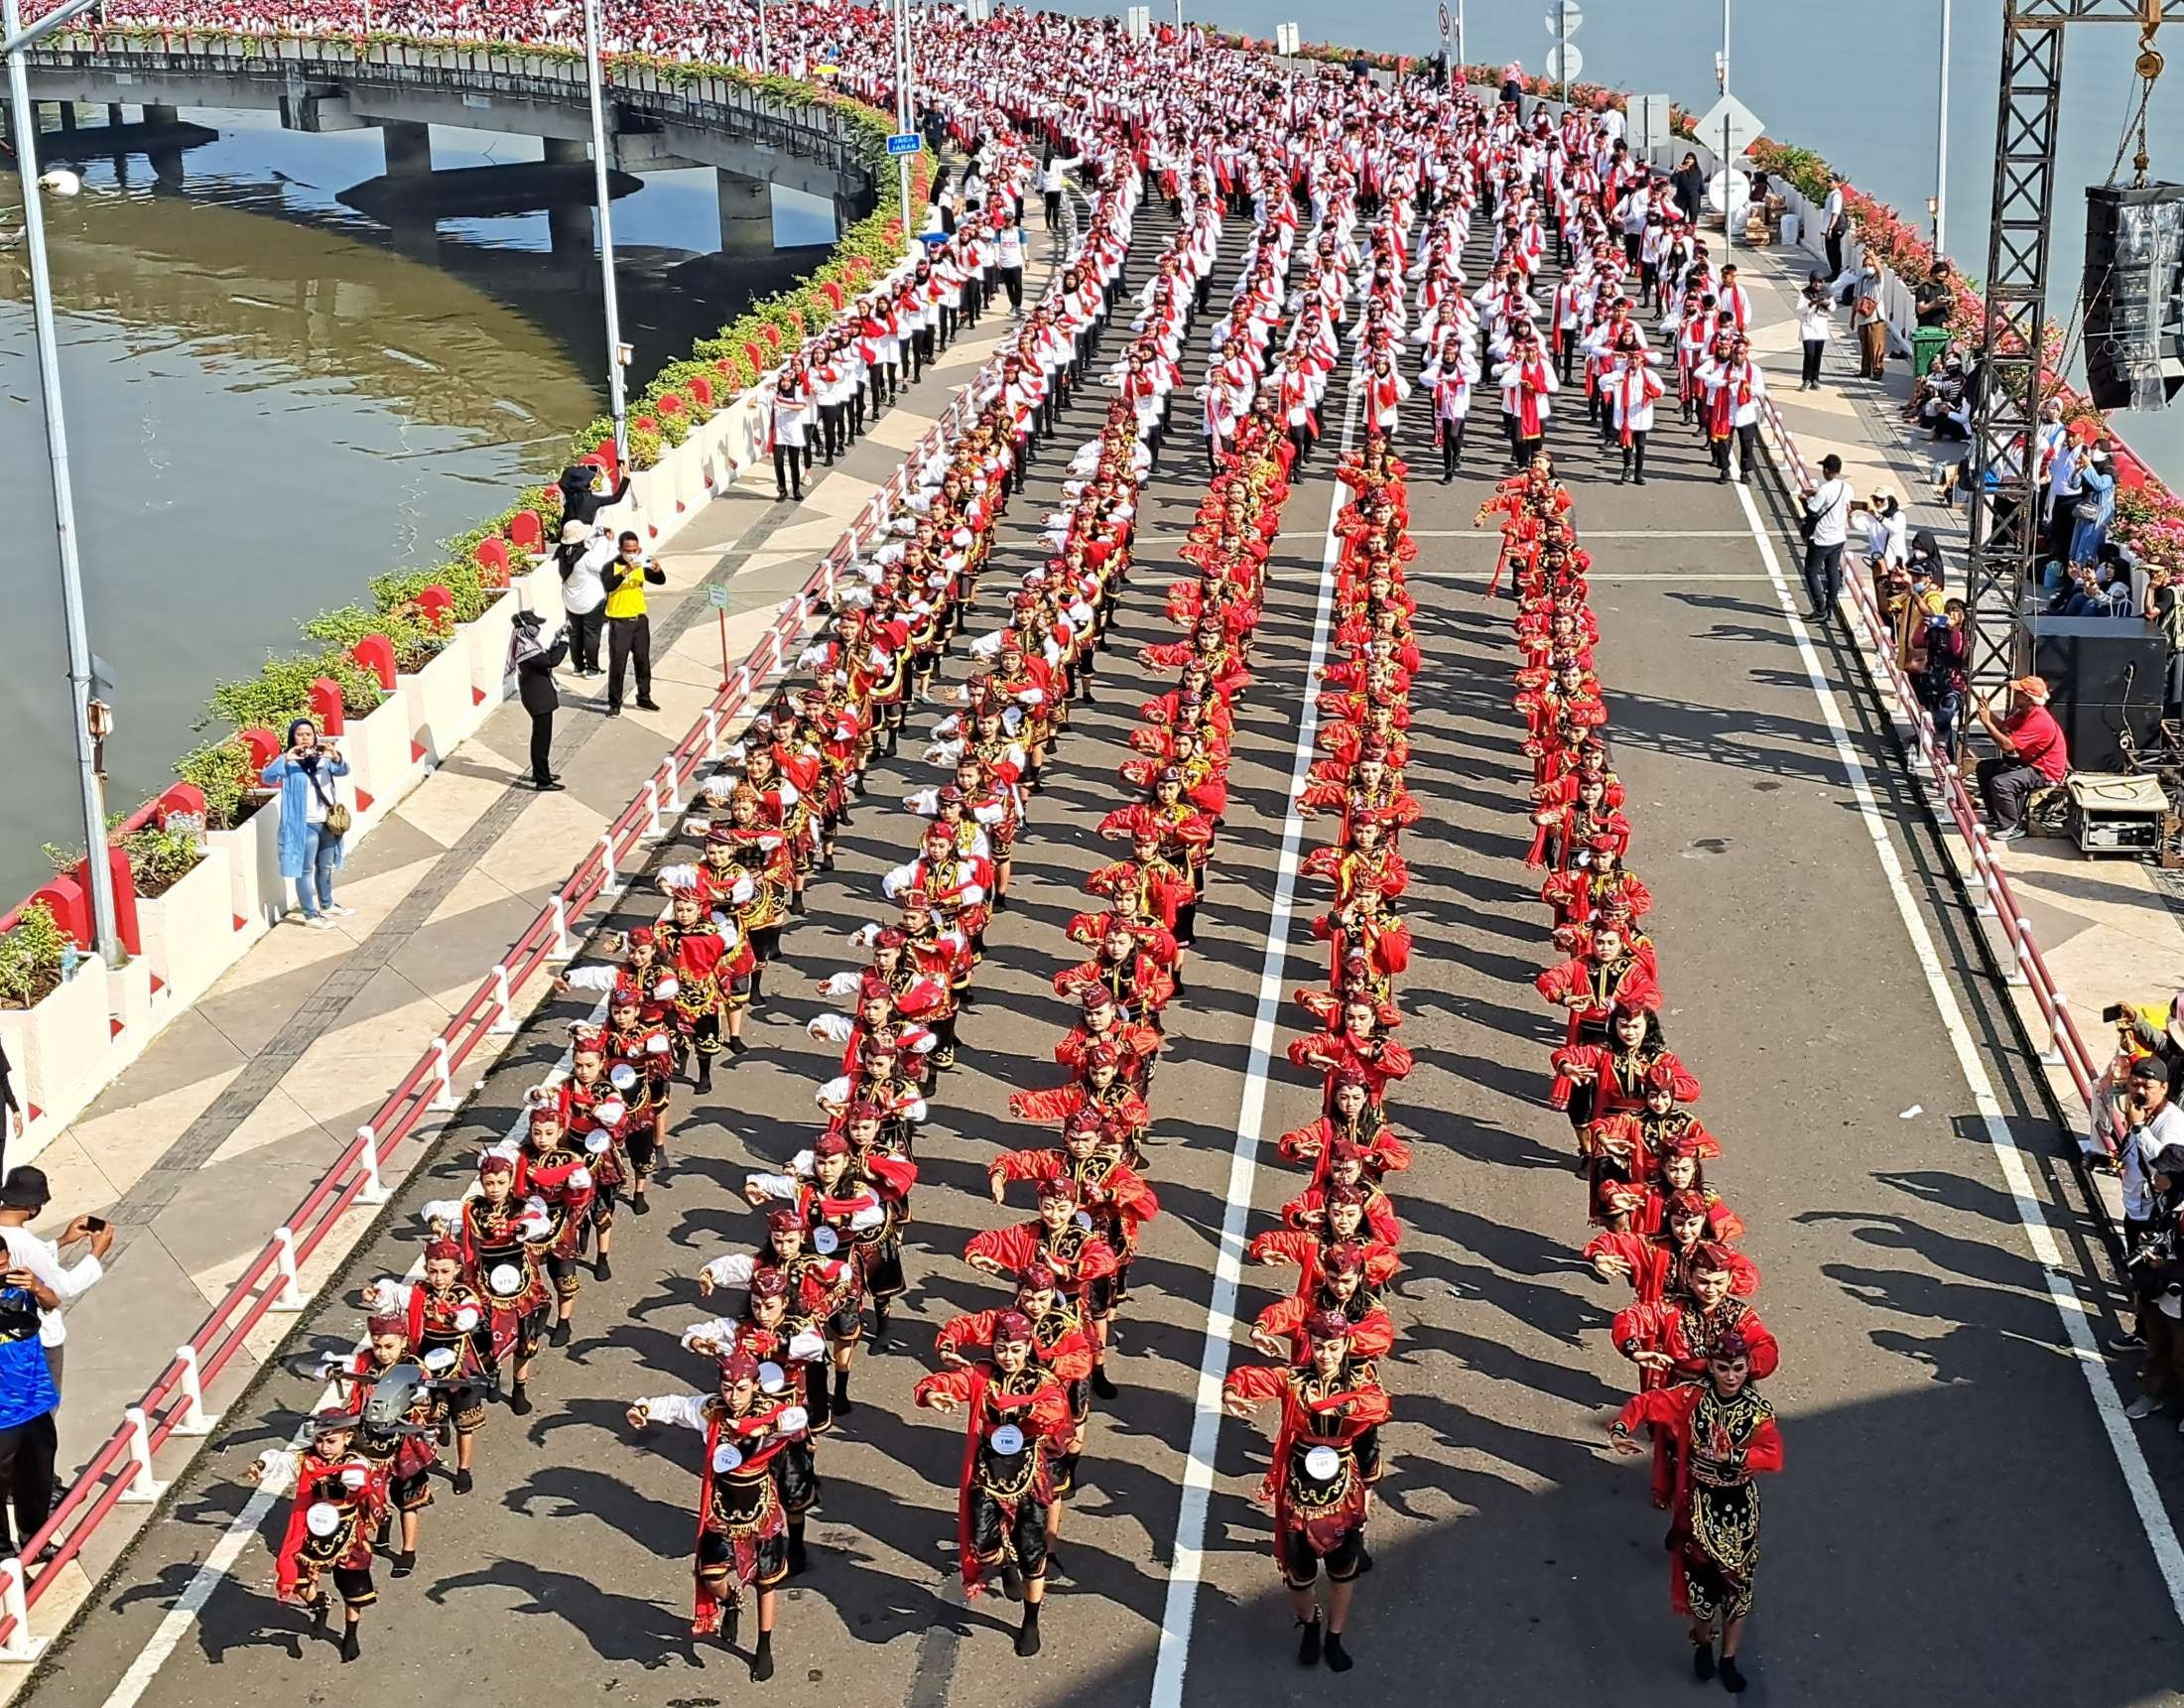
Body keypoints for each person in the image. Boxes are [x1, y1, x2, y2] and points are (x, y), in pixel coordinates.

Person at [1606, 1334, 1784, 1693]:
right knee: (1700, 1592)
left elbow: (1774, 1455)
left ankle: (1729, 1658)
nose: (1731, 1376)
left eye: (1737, 1368)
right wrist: (1622, 1427)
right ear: (1712, 1367)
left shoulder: (1756, 1409)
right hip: (1698, 1506)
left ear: (1747, 1367)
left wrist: (1735, 1458)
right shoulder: (1693, 1398)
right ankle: (1703, 1643)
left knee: (1738, 1589)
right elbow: (1649, 1402)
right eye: (1723, 1368)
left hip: (1739, 1511)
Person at [0, 1170, 74, 1557]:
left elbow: (53, 1301)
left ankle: (37, 1538)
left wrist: (37, 1285)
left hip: (33, 1400)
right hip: (2, 1412)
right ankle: (3, 1554)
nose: (3, 1268)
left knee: (38, 1474)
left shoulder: (21, 1286)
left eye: (4, 1261)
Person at [260, 718, 351, 929]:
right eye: (299, 734)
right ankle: (310, 914)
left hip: (327, 821)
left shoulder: (323, 759)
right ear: (292, 737)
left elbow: (343, 770)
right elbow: (267, 777)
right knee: (305, 870)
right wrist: (286, 758)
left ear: (314, 736)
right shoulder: (288, 762)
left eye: (308, 734)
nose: (304, 737)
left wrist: (335, 755)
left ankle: (327, 904)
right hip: (303, 825)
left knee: (326, 866)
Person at [1972, 675, 2070, 842]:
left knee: (2001, 783)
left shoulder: (2039, 720)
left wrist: (1987, 723)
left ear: (2027, 697)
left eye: (2017, 692)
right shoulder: (2025, 713)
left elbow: (2008, 746)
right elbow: (2004, 727)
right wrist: (1988, 713)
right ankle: (1996, 816)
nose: (2014, 693)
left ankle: (2011, 826)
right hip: (2031, 764)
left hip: (2044, 772)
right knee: (1984, 768)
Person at [601, 530, 665, 718]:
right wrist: (625, 571)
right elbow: (608, 585)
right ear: (620, 549)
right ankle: (614, 703)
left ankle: (644, 697)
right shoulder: (610, 566)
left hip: (639, 621)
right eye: (628, 550)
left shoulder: (641, 564)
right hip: (620, 623)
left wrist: (656, 569)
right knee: (618, 665)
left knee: (643, 661)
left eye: (635, 550)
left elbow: (660, 581)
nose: (631, 553)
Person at [511, 611, 571, 792]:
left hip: (538, 696)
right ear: (526, 627)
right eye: (535, 625)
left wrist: (557, 638)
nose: (538, 628)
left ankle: (541, 773)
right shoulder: (526, 649)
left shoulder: (528, 644)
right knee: (541, 740)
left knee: (541, 737)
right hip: (538, 698)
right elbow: (551, 660)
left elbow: (546, 655)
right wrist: (565, 640)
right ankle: (543, 780)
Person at [1798, 455, 1855, 623]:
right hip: (1839, 537)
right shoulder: (1847, 487)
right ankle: (1830, 605)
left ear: (1827, 471)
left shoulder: (1824, 490)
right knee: (1832, 571)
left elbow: (1811, 511)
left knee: (1811, 571)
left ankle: (1820, 608)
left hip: (1822, 538)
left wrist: (1803, 500)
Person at [555, 519, 611, 677]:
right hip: (591, 601)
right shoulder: (585, 556)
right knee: (591, 635)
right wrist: (605, 541)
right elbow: (601, 566)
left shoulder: (561, 554)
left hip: (571, 601)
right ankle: (593, 669)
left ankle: (578, 667)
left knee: (575, 634)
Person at [1916, 597, 1972, 751]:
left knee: (1946, 711)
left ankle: (1945, 750)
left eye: (1955, 610)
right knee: (1932, 717)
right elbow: (1918, 643)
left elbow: (1958, 651)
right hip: (1934, 680)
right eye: (1948, 610)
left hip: (1954, 684)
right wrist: (1924, 627)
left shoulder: (1967, 634)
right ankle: (1939, 749)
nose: (1951, 613)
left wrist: (1954, 630)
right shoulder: (1938, 631)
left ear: (1964, 614)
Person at [558, 460, 629, 533]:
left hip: (569, 535)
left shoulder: (567, 497)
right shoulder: (592, 500)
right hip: (586, 538)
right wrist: (626, 477)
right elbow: (616, 498)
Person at [1851, 260, 1887, 380]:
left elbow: (1879, 271)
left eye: (1870, 265)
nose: (1867, 268)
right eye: (1865, 265)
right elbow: (1856, 300)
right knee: (1864, 345)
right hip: (1862, 317)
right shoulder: (1860, 280)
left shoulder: (1877, 280)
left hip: (1875, 318)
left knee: (1876, 346)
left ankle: (1877, 370)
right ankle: (1865, 369)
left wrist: (1872, 256)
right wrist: (1852, 318)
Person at [1795, 275, 1831, 391]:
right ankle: (1806, 379)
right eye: (1815, 282)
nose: (1818, 285)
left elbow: (1833, 307)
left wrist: (1826, 304)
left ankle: (1815, 379)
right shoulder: (1805, 294)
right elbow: (1799, 310)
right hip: (1808, 327)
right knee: (1809, 354)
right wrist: (1811, 304)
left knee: (1817, 355)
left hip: (1820, 329)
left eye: (1820, 282)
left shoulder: (1826, 292)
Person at [1912, 258, 1956, 328]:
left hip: (1942, 328)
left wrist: (1952, 302)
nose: (1942, 279)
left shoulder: (1946, 288)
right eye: (1940, 276)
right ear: (1933, 274)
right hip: (1926, 328)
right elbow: (1920, 310)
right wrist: (1935, 302)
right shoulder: (1923, 289)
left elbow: (1951, 308)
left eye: (1944, 277)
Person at [1821, 174, 1848, 278]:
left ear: (1837, 183)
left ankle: (1835, 273)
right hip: (1831, 227)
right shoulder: (1831, 194)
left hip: (1834, 228)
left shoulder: (1836, 196)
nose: (1828, 184)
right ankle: (1834, 272)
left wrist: (1830, 228)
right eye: (1827, 181)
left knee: (1833, 250)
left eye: (1830, 182)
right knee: (1831, 250)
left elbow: (1835, 213)